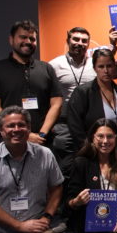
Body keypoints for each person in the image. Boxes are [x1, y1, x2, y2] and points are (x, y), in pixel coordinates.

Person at [0, 20, 63, 148]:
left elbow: (56, 103)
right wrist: (24, 134)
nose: (28, 41)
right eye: (23, 37)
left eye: (32, 39)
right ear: (11, 39)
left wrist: (42, 134)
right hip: (10, 141)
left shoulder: (47, 68)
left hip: (43, 141)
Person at [67, 48, 117, 154]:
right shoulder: (83, 93)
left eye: (109, 66)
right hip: (95, 154)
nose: (106, 71)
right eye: (101, 66)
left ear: (114, 66)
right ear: (94, 68)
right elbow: (75, 126)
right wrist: (88, 148)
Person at [48, 27, 97, 169]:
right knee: (64, 165)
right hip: (64, 124)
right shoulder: (54, 65)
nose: (80, 43)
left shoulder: (94, 64)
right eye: (76, 39)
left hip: (89, 123)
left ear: (88, 44)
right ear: (68, 41)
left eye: (84, 41)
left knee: (90, 163)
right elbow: (47, 96)